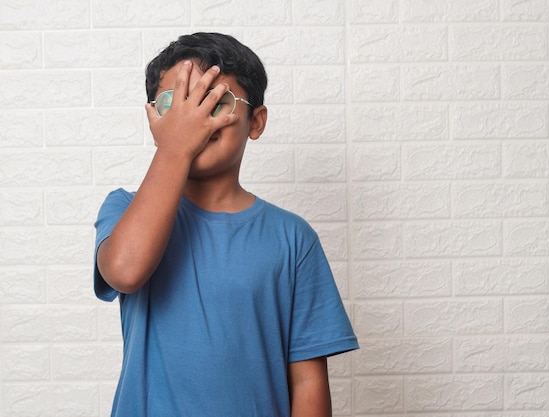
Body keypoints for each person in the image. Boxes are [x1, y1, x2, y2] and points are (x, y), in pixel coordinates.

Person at [93, 32, 358, 416]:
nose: (194, 117)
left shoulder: (292, 238)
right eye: (177, 104)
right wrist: (175, 148)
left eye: (215, 101)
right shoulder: (124, 208)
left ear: (256, 121)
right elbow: (125, 271)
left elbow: (308, 380)